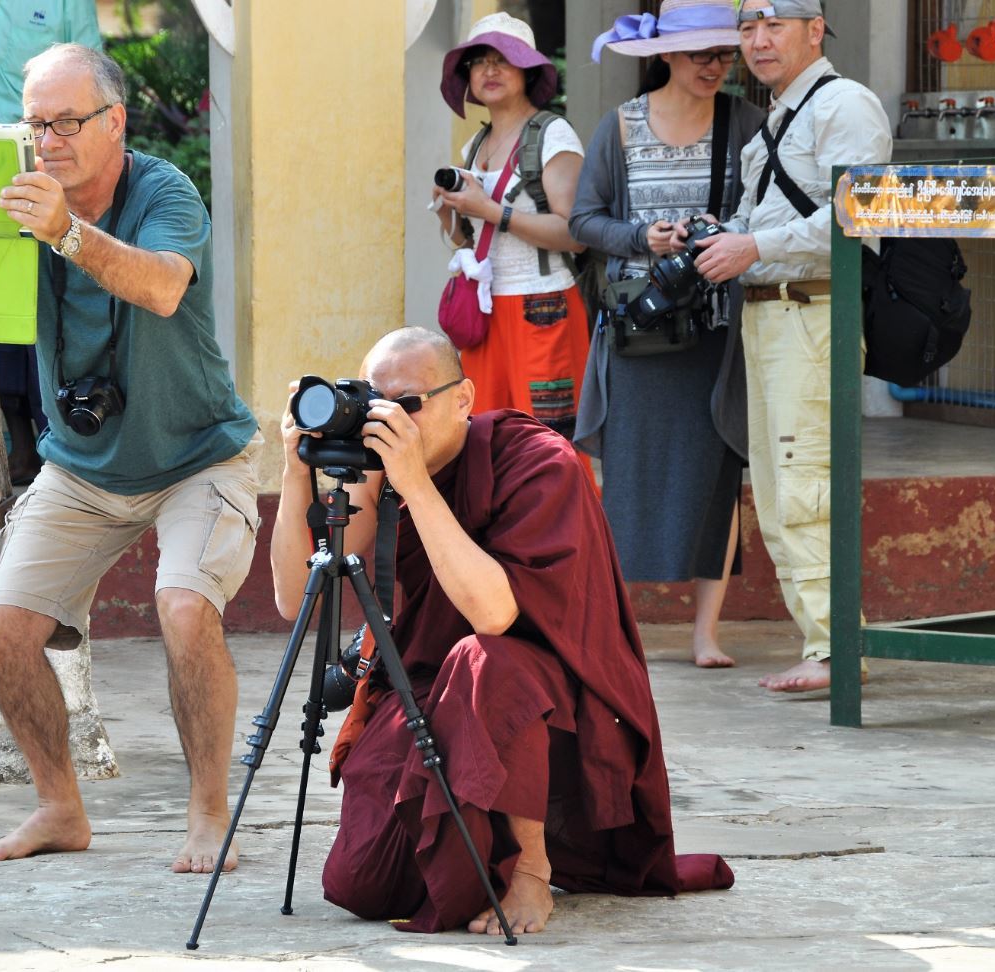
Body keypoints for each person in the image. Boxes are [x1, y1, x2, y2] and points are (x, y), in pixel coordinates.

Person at [0, 43, 261, 871]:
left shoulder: (164, 190)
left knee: (185, 608)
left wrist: (67, 233)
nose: (47, 139)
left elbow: (163, 285)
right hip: (86, 463)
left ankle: (208, 812)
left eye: (66, 121)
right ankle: (59, 807)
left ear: (115, 121)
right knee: (2, 626)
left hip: (197, 455)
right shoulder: (16, 190)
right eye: (36, 122)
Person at [269, 327, 734, 935]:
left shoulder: (539, 461)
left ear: (463, 398)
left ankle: (532, 870)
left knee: (486, 659)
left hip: (547, 696)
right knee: (361, 882)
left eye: (407, 404)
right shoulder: (381, 470)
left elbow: (494, 616)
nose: (389, 421)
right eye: (374, 401)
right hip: (433, 687)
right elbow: (291, 599)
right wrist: (294, 471)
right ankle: (483, 846)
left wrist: (412, 481)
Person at [692, 0, 891, 692]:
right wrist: (722, 237)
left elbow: (856, 221)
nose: (758, 41)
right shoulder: (778, 115)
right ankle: (823, 640)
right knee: (777, 493)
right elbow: (768, 219)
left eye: (775, 25)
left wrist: (753, 245)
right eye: (747, 28)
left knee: (806, 482)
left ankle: (837, 650)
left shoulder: (847, 106)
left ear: (816, 30)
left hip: (813, 313)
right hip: (768, 315)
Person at [570, 1, 766, 668]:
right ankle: (613, 626)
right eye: (699, 55)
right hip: (639, 329)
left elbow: (765, 209)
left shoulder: (745, 122)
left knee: (718, 474)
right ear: (666, 57)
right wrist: (640, 237)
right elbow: (583, 220)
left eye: (722, 54)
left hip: (715, 329)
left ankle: (705, 633)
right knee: (626, 475)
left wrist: (726, 230)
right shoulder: (620, 128)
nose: (714, 66)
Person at [0, 0, 103, 485]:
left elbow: (94, 86)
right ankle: (21, 448)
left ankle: (65, 444)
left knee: (53, 309)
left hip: (49, 167)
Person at [432, 13, 589, 440]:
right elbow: (474, 241)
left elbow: (575, 234)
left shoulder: (553, 135)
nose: (489, 69)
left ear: (527, 70)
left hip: (543, 306)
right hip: (483, 313)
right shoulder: (475, 145)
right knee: (482, 437)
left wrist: (493, 211)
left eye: (504, 58)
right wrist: (452, 215)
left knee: (547, 443)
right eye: (479, 61)